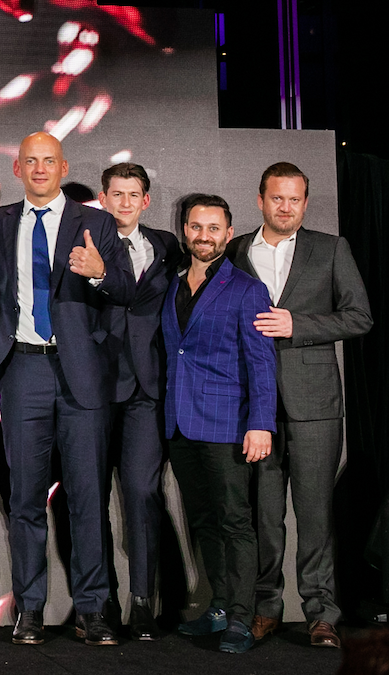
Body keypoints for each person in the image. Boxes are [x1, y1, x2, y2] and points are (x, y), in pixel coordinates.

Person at [0, 131, 134, 647]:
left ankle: (93, 609)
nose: (40, 169)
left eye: (49, 160)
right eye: (30, 161)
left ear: (63, 167)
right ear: (18, 169)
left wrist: (100, 273)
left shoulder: (97, 222)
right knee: (25, 498)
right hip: (23, 371)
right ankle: (30, 610)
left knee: (87, 495)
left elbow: (127, 291)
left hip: (82, 373)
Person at [226, 163, 372, 648]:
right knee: (264, 516)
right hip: (256, 409)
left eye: (295, 199)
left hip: (316, 406)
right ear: (260, 198)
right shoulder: (236, 251)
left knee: (314, 515)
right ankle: (267, 606)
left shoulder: (331, 248)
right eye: (277, 198)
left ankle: (321, 613)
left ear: (305, 203)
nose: (286, 207)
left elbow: (358, 317)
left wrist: (297, 325)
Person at [163, 194, 277, 654]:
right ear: (185, 231)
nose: (204, 236)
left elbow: (261, 364)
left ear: (229, 235)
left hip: (229, 424)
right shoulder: (171, 286)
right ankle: (220, 607)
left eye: (214, 228)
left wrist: (261, 423)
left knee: (235, 523)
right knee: (204, 522)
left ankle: (242, 620)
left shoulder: (247, 289)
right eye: (196, 227)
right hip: (179, 425)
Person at [97, 162, 181, 640]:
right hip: (94, 388)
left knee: (142, 495)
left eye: (134, 194)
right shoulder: (84, 242)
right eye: (117, 193)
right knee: (88, 499)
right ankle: (101, 599)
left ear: (146, 200)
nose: (125, 202)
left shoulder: (166, 246)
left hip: (148, 392)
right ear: (104, 198)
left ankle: (143, 600)